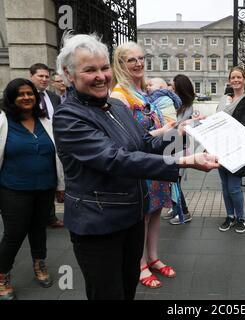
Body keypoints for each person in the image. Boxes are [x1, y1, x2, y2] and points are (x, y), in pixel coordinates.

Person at [53, 34, 219, 300]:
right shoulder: (68, 116)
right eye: (90, 70)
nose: (101, 76)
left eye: (104, 67)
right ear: (69, 74)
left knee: (127, 289)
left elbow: (141, 143)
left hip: (130, 217)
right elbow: (115, 159)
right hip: (98, 226)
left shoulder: (116, 105)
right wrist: (184, 161)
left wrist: (181, 133)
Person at [110, 41, 180, 289]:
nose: (139, 63)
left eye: (141, 58)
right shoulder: (119, 95)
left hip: (156, 162)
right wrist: (164, 130)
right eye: (132, 60)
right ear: (120, 64)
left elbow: (156, 128)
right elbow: (127, 139)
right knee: (142, 216)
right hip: (140, 165)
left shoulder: (144, 92)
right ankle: (139, 264)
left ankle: (153, 257)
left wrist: (180, 127)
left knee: (156, 211)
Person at [0, 78, 65, 300]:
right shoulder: (2, 121)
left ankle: (40, 264)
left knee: (39, 230)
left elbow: (57, 156)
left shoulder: (45, 121)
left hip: (44, 188)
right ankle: (2, 275)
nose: (26, 97)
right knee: (14, 234)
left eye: (30, 94)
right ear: (11, 98)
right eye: (20, 94)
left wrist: (60, 185)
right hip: (13, 190)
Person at [216, 66, 245, 234]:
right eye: (233, 77)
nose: (235, 80)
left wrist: (224, 121)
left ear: (244, 79)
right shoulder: (224, 99)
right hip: (221, 146)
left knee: (234, 187)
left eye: (238, 77)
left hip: (238, 147)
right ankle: (230, 216)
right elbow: (216, 120)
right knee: (224, 185)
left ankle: (240, 218)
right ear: (229, 80)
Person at [29, 63, 64, 228]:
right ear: (31, 76)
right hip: (34, 145)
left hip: (54, 144)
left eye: (46, 76)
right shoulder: (26, 96)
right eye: (40, 76)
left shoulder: (53, 97)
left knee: (52, 180)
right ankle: (33, 217)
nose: (44, 79)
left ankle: (49, 216)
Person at [167, 74, 195, 225]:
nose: (170, 89)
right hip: (172, 145)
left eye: (173, 87)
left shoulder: (187, 106)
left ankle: (183, 211)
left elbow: (179, 125)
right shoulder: (175, 103)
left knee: (175, 180)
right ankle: (175, 207)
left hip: (180, 147)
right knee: (171, 180)